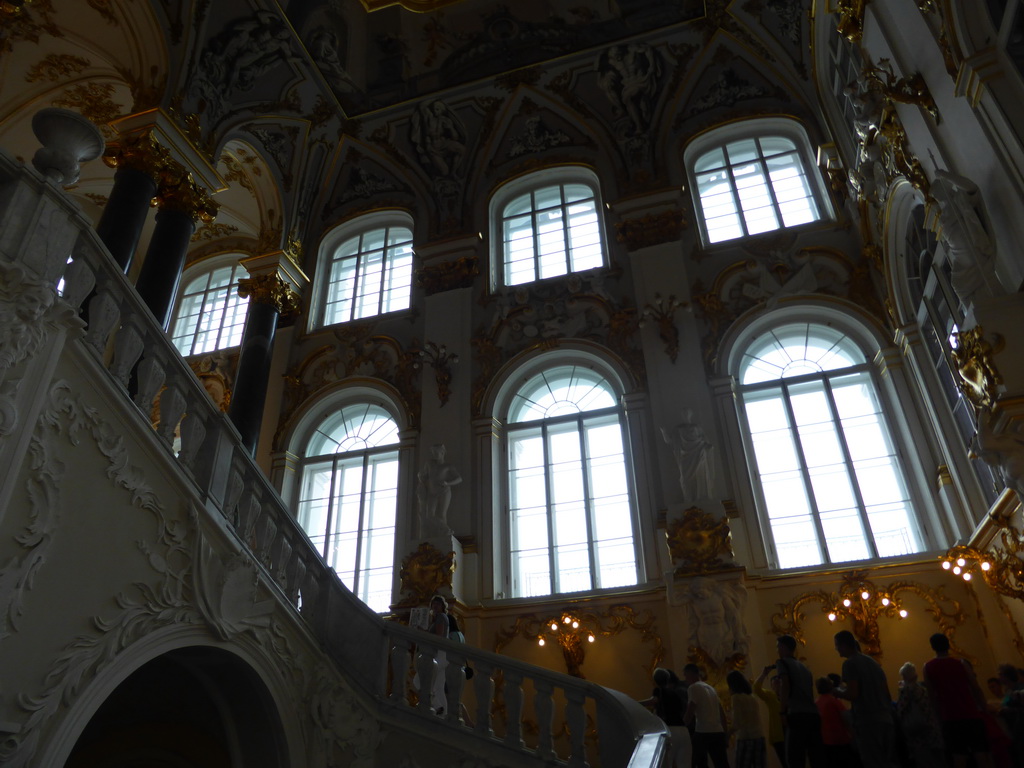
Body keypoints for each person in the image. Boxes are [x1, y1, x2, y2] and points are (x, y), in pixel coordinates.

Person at [922, 633, 994, 768]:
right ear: (948, 645)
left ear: (933, 647)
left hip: (949, 717)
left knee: (958, 755)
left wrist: (937, 717)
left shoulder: (928, 667)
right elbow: (975, 687)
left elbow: (932, 696)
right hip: (971, 713)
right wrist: (984, 707)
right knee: (980, 752)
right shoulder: (960, 663)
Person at [833, 630, 897, 767]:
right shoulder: (873, 663)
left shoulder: (849, 664)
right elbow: (887, 693)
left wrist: (836, 692)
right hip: (886, 719)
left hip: (868, 721)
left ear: (844, 645)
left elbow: (853, 694)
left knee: (873, 762)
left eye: (837, 645)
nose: (836, 648)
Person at [775, 634, 824, 768]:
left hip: (797, 714)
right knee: (815, 757)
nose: (777, 650)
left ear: (784, 647)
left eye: (778, 647)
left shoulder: (782, 663)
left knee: (794, 757)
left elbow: (785, 684)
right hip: (813, 715)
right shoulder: (804, 668)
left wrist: (782, 711)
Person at [895, 662, 943, 768]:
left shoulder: (905, 691)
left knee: (923, 760)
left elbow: (900, 710)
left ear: (904, 676)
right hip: (931, 727)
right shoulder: (923, 689)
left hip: (916, 730)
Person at [642, 668, 692, 768]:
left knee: (666, 763)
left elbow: (654, 701)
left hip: (669, 730)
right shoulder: (675, 693)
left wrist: (637, 703)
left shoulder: (659, 690)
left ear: (655, 681)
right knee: (685, 764)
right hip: (683, 730)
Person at [661, 409, 714, 504]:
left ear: (691, 415)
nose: (685, 415)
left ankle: (701, 498)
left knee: (700, 478)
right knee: (685, 478)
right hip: (684, 458)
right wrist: (664, 432)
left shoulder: (697, 427)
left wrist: (707, 447)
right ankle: (688, 499)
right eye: (683, 413)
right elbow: (670, 442)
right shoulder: (678, 429)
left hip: (698, 455)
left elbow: (706, 442)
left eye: (687, 413)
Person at [683, 663, 730, 768]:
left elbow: (691, 708)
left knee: (696, 762)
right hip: (718, 731)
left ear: (691, 673)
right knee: (722, 763)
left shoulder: (693, 687)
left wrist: (683, 725)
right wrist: (725, 733)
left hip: (703, 731)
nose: (685, 678)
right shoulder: (711, 688)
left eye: (686, 675)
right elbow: (721, 713)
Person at [416, 444, 462, 537]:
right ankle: (446, 529)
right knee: (430, 515)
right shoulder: (429, 463)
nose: (435, 455)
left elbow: (459, 478)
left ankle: (444, 534)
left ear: (442, 453)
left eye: (436, 453)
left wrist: (448, 483)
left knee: (442, 514)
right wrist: (420, 476)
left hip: (444, 491)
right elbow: (425, 476)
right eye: (433, 453)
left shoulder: (448, 466)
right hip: (432, 493)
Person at [815, 676, 857, 768]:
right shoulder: (834, 701)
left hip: (825, 741)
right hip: (840, 740)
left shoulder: (816, 703)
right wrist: (853, 736)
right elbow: (846, 719)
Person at [727, 670, 766, 768]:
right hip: (759, 736)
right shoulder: (752, 697)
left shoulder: (736, 698)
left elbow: (737, 722)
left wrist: (727, 734)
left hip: (746, 738)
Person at [753, 665, 786, 767]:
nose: (777, 680)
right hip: (779, 737)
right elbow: (757, 689)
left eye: (778, 679)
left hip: (791, 733)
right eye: (774, 680)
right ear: (771, 686)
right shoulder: (771, 697)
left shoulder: (789, 696)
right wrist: (764, 674)